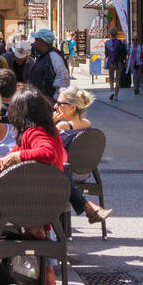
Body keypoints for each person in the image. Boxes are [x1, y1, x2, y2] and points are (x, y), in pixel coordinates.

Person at [53, 85, 114, 225]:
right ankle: (90, 208)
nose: (56, 106)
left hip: (66, 174)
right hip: (85, 172)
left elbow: (53, 152)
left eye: (60, 104)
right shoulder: (87, 124)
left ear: (72, 107)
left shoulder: (63, 126)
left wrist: (52, 124)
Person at [29, 29, 70, 101]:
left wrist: (55, 99)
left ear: (41, 42)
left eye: (36, 40)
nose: (34, 43)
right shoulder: (43, 56)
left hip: (48, 104)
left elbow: (64, 79)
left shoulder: (54, 57)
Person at [104, 32, 127, 100]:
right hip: (120, 62)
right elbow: (125, 52)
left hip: (111, 62)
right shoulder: (121, 42)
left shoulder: (107, 43)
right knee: (118, 79)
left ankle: (112, 91)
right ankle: (116, 95)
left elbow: (106, 54)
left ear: (110, 35)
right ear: (116, 35)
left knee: (111, 78)